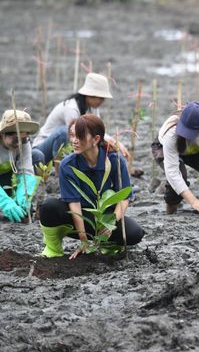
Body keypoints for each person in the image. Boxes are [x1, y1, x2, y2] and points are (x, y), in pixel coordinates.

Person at [38, 114, 144, 259]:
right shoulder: (68, 165)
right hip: (80, 217)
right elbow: (74, 204)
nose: (74, 141)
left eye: (80, 136)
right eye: (72, 136)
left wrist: (110, 223)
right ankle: (53, 247)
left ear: (96, 139)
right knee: (49, 207)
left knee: (134, 233)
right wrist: (83, 240)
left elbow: (124, 197)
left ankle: (108, 244)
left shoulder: (114, 160)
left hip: (104, 218)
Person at [32, 72, 129, 165]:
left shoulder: (92, 108)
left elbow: (98, 132)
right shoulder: (72, 108)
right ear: (89, 95)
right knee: (66, 132)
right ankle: (60, 171)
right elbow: (76, 135)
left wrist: (115, 142)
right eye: (100, 98)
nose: (102, 101)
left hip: (63, 147)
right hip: (43, 149)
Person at [0, 110, 42, 223]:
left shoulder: (24, 143)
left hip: (6, 174)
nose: (19, 144)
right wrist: (4, 201)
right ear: (3, 134)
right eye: (15, 139)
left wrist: (23, 195)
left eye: (23, 140)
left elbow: (26, 171)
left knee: (37, 155)